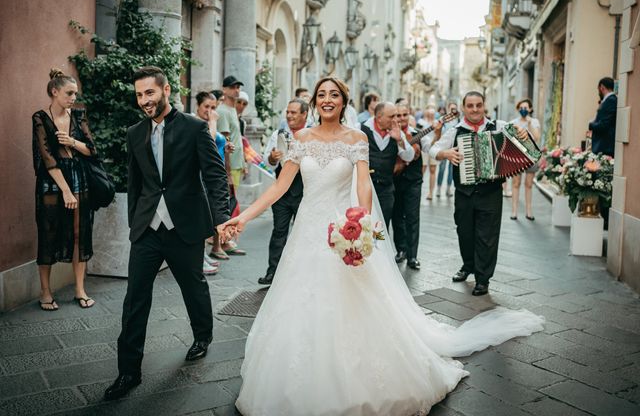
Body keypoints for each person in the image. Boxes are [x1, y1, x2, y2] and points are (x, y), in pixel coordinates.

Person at [217, 78, 544, 416]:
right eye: (321, 95)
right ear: (314, 102)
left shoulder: (356, 139)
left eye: (334, 95)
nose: (327, 100)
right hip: (307, 234)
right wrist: (242, 219)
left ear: (344, 102)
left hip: (343, 233)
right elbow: (279, 188)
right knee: (299, 302)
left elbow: (363, 185)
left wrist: (362, 224)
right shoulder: (301, 140)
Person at [104, 66, 230, 400]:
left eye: (149, 92)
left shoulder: (194, 128)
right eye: (139, 95)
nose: (144, 100)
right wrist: (135, 223)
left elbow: (215, 177)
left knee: (193, 286)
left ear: (166, 89)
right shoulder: (134, 133)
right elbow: (135, 183)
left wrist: (221, 220)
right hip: (147, 229)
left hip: (184, 226)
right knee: (135, 299)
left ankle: (202, 335)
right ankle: (128, 372)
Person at [430, 91, 529, 296]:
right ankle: (468, 266)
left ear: (484, 106)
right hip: (464, 193)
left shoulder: (499, 126)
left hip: (491, 192)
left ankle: (483, 279)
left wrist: (523, 133)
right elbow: (433, 150)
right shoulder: (455, 131)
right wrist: (445, 153)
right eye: (470, 106)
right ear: (464, 108)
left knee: (488, 236)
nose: (475, 109)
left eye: (478, 105)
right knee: (464, 233)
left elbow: (521, 135)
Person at [32, 68, 98, 310]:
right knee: (48, 233)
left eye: (75, 93)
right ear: (54, 91)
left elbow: (92, 149)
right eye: (69, 93)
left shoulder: (79, 115)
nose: (73, 98)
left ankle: (80, 289)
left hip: (78, 176)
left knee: (80, 233)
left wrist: (73, 142)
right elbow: (47, 158)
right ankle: (45, 292)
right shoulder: (40, 117)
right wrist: (66, 191)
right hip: (52, 181)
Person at [258, 98, 310, 285]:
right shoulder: (277, 134)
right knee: (278, 232)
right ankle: (273, 272)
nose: (289, 116)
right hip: (281, 193)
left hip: (305, 192)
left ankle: (301, 274)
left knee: (303, 233)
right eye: (288, 112)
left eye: (294, 112)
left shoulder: (312, 135)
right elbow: (269, 165)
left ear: (304, 114)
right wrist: (272, 158)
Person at [392, 103, 442, 270]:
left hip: (413, 181)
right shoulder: (390, 135)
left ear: (409, 115)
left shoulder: (419, 134)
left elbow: (432, 147)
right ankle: (401, 249)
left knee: (412, 217)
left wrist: (437, 132)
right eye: (398, 115)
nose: (401, 118)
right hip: (394, 181)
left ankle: (413, 256)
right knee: (397, 216)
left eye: (404, 115)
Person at [361, 102, 415, 228]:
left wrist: (400, 140)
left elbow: (409, 157)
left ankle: (378, 246)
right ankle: (367, 247)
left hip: (386, 190)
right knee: (364, 223)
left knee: (381, 227)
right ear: (379, 117)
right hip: (365, 188)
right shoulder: (361, 129)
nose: (396, 120)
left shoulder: (397, 132)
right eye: (392, 116)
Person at [193, 91, 229, 272]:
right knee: (201, 217)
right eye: (206, 106)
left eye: (213, 107)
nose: (209, 110)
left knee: (208, 217)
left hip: (214, 175)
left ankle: (203, 255)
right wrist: (213, 121)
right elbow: (210, 141)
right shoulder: (195, 123)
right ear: (197, 106)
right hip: (201, 176)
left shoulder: (206, 123)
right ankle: (198, 258)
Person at [217, 76, 247, 256]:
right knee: (228, 204)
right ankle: (224, 242)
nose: (236, 90)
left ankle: (226, 240)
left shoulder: (232, 109)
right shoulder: (223, 111)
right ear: (225, 90)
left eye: (238, 87)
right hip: (229, 164)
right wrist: (226, 170)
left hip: (237, 163)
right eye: (233, 87)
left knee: (232, 204)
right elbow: (224, 142)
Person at [509, 98, 541, 221]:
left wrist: (529, 124)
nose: (523, 110)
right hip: (517, 156)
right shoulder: (513, 122)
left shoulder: (534, 121)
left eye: (526, 107)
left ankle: (528, 211)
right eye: (521, 108)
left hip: (531, 155)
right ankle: (514, 211)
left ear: (530, 109)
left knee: (528, 184)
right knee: (516, 183)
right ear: (518, 109)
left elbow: (537, 137)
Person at [436, 101, 459, 198]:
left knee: (451, 169)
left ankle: (448, 188)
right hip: (444, 147)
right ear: (448, 109)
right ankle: (438, 188)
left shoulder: (458, 120)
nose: (453, 110)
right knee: (441, 169)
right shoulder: (443, 119)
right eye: (451, 108)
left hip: (454, 147)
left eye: (455, 108)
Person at [589, 77, 617, 157]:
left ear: (602, 87)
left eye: (598, 89)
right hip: (603, 146)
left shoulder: (611, 100)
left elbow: (604, 125)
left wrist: (591, 125)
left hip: (604, 147)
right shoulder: (608, 100)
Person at [420, 107, 440, 200]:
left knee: (433, 170)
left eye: (432, 114)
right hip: (423, 149)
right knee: (422, 169)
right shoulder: (421, 122)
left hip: (433, 147)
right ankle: (418, 190)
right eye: (429, 113)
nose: (431, 115)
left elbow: (439, 136)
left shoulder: (437, 122)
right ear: (426, 113)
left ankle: (431, 193)